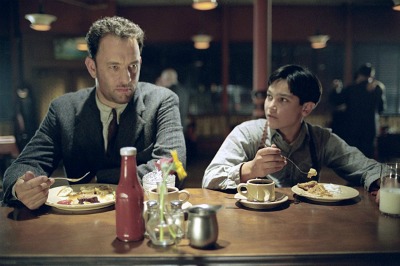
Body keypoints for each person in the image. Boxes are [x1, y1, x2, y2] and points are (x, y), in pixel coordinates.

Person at [2, 16, 186, 210]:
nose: (126, 78)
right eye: (114, 67)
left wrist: (100, 179)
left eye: (133, 66)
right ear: (92, 67)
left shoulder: (162, 101)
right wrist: (21, 188)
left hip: (142, 218)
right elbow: (26, 163)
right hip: (79, 226)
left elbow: (172, 168)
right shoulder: (63, 109)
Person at [202, 64, 381, 198]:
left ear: (306, 109)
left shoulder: (320, 139)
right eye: (270, 97)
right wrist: (250, 169)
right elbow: (210, 178)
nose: (270, 107)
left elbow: (368, 167)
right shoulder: (248, 133)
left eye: (283, 100)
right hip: (255, 223)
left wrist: (385, 183)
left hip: (305, 228)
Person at [329, 63, 386, 158]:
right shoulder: (377, 89)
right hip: (370, 130)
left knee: (353, 159)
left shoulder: (351, 89)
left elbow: (336, 101)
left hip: (353, 130)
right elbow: (382, 109)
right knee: (368, 159)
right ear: (371, 76)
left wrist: (335, 89)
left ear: (359, 75)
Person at [157, 68, 189, 133]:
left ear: (167, 79)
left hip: (170, 130)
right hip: (182, 128)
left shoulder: (169, 92)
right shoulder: (183, 91)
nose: (161, 82)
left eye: (162, 79)